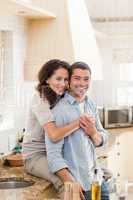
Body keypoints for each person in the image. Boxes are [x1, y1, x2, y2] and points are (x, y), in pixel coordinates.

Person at [45, 61, 110, 200]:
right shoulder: (59, 110)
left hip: (97, 180)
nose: (82, 83)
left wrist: (94, 134)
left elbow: (103, 137)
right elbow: (53, 156)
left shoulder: (89, 103)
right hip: (79, 185)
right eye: (77, 78)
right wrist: (72, 182)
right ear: (68, 81)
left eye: (86, 79)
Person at [22, 59, 85, 191]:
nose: (63, 84)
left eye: (66, 79)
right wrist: (80, 122)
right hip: (36, 157)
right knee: (66, 182)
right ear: (47, 79)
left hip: (56, 154)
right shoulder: (40, 99)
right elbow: (54, 135)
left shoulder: (58, 96)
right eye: (58, 79)